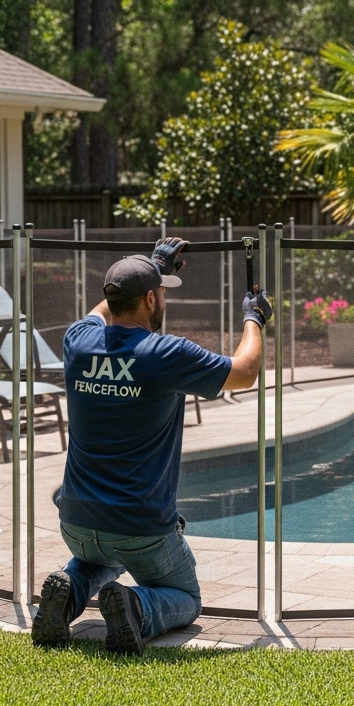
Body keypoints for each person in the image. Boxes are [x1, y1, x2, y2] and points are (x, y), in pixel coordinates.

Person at [32, 236, 271, 654]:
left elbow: (100, 310)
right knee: (186, 597)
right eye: (160, 292)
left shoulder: (78, 341)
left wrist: (153, 265)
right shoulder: (166, 354)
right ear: (148, 299)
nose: (163, 299)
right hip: (140, 527)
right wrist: (254, 317)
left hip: (76, 521)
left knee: (100, 556)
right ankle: (136, 606)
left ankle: (69, 591)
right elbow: (245, 371)